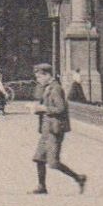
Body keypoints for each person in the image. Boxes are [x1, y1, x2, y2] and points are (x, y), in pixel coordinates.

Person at [29, 64, 86, 195]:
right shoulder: (47, 87)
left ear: (47, 75)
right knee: (38, 158)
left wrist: (43, 109)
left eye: (39, 76)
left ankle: (79, 178)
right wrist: (37, 109)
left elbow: (61, 109)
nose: (38, 79)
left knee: (53, 163)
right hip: (46, 129)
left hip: (55, 130)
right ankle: (41, 186)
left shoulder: (56, 89)